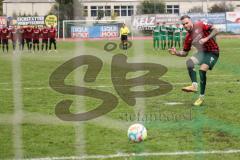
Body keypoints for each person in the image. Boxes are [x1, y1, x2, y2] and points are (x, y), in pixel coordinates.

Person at [168, 15, 219, 106]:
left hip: (213, 52)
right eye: (183, 24)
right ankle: (194, 86)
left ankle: (201, 98)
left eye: (187, 23)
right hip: (202, 54)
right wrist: (176, 53)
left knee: (202, 70)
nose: (185, 25)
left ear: (191, 21)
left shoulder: (200, 25)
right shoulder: (188, 38)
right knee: (189, 62)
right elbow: (185, 53)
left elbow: (216, 30)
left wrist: (206, 39)